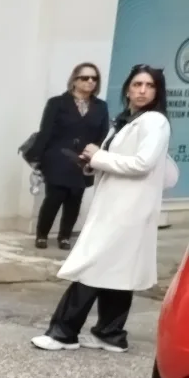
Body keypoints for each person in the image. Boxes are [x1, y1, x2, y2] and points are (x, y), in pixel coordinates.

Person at [32, 65, 176, 353]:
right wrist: (93, 162)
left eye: (149, 86)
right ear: (127, 89)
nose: (142, 90)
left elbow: (142, 163)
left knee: (92, 266)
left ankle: (63, 333)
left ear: (158, 92)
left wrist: (99, 157)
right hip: (120, 206)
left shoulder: (154, 121)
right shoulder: (129, 119)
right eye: (137, 84)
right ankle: (110, 334)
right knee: (118, 271)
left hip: (127, 210)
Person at [24, 62, 111, 250]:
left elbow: (103, 133)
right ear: (74, 80)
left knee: (75, 199)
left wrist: (94, 153)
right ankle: (42, 235)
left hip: (83, 161)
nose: (90, 81)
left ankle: (64, 237)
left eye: (94, 78)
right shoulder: (57, 103)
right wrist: (37, 159)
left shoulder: (100, 106)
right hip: (58, 158)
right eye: (85, 77)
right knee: (54, 198)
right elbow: (46, 131)